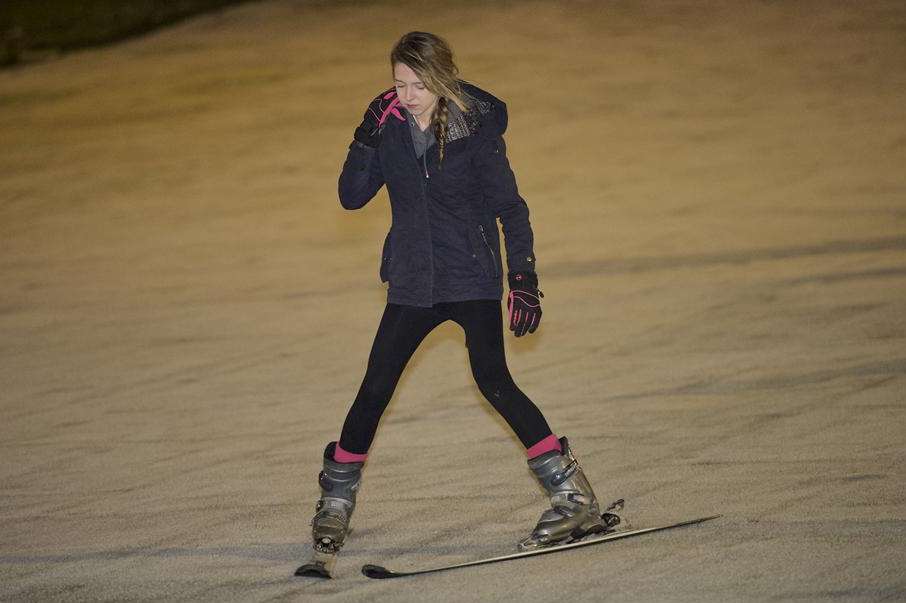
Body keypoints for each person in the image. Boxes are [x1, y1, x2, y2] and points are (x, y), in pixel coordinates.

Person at [309, 31, 608, 558]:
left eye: (418, 85)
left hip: (469, 277)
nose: (406, 95)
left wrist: (523, 279)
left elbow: (511, 210)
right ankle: (335, 504)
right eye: (398, 84)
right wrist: (365, 136)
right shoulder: (391, 129)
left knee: (494, 381)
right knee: (374, 390)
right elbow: (351, 197)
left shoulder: (474, 132)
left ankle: (573, 496)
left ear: (443, 79)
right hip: (413, 281)